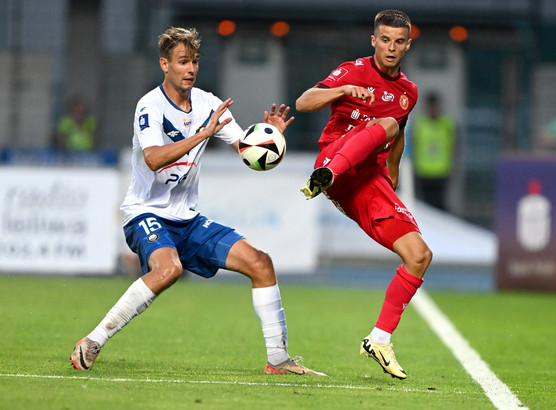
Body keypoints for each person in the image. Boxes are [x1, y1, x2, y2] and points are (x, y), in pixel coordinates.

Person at [69, 26, 325, 377]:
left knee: (261, 263)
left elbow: (248, 154)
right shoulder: (150, 106)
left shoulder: (208, 104)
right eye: (182, 62)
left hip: (186, 219)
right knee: (169, 269)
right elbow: (154, 159)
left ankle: (278, 360)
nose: (190, 69)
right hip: (146, 212)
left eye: (195, 62)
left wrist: (269, 140)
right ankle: (93, 340)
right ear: (165, 64)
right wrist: (202, 135)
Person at [296, 10, 431, 379]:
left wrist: (395, 173)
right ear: (374, 40)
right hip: (334, 162)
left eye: (398, 41)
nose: (391, 47)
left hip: (367, 180)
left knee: (419, 255)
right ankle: (324, 176)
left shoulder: (409, 93)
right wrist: (340, 90)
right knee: (382, 124)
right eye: (384, 40)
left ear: (407, 44)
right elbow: (304, 102)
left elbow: (398, 134)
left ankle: (380, 338)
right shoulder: (352, 71)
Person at [411, 92, 456, 210]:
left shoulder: (447, 124)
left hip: (441, 170)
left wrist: (452, 165)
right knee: (426, 206)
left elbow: (453, 146)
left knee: (440, 204)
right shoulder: (420, 124)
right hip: (424, 170)